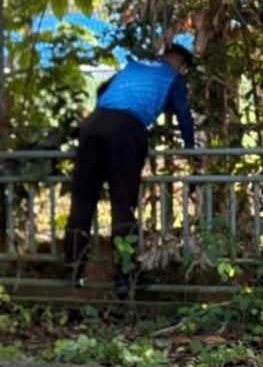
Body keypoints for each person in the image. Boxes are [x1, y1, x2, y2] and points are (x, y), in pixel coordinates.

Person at [64, 44, 196, 298]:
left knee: (82, 201)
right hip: (124, 130)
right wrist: (191, 150)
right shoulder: (173, 78)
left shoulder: (134, 66)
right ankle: (125, 275)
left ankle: (73, 271)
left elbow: (102, 89)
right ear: (183, 66)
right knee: (122, 204)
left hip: (92, 125)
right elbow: (182, 111)